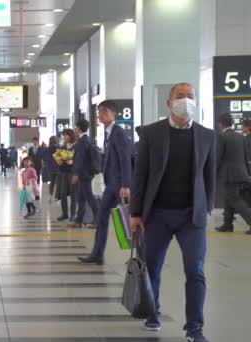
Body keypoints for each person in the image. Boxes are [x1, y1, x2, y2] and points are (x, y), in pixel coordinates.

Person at [130, 83, 214, 342]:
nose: (186, 101)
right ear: (169, 103)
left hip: (192, 217)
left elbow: (208, 176)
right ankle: (152, 314)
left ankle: (194, 328)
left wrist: (206, 208)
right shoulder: (151, 133)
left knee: (196, 270)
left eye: (190, 96)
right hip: (157, 215)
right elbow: (140, 175)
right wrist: (135, 212)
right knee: (152, 268)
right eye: (180, 96)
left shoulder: (206, 135)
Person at [79, 100, 132, 265]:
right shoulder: (109, 133)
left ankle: (98, 254)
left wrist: (125, 185)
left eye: (105, 111)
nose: (100, 114)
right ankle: (98, 254)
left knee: (108, 217)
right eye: (99, 111)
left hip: (117, 185)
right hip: (112, 183)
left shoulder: (118, 133)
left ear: (114, 114)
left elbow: (125, 160)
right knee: (103, 218)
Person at [214, 113, 251, 233]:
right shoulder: (241, 137)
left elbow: (218, 157)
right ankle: (227, 224)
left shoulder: (222, 137)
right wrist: (247, 173)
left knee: (234, 199)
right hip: (241, 172)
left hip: (229, 174)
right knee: (228, 197)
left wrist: (213, 172)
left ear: (220, 124)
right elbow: (246, 157)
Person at [70, 119, 99, 229]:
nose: (74, 129)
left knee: (90, 198)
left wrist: (76, 174)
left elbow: (80, 159)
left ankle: (97, 221)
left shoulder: (82, 141)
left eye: (75, 127)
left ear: (78, 128)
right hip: (85, 174)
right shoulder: (88, 139)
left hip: (83, 175)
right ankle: (78, 221)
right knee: (81, 198)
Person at [54, 129, 76, 221]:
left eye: (66, 135)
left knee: (73, 194)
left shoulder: (76, 146)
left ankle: (73, 214)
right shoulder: (62, 147)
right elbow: (58, 159)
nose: (64, 137)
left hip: (72, 172)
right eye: (63, 135)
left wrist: (72, 161)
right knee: (63, 193)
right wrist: (57, 159)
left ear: (71, 136)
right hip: (63, 172)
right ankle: (64, 213)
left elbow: (80, 159)